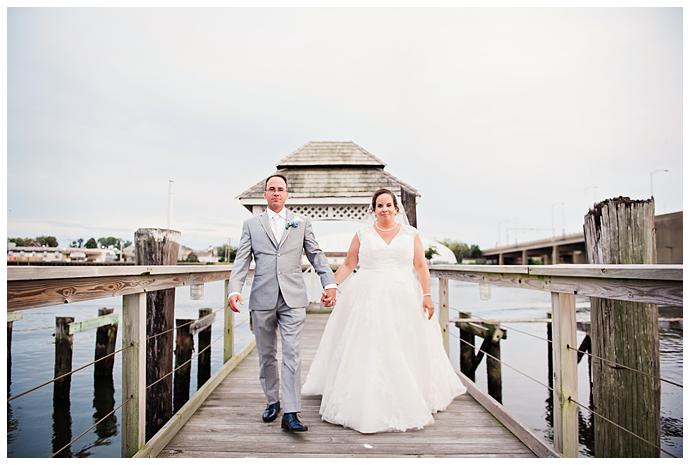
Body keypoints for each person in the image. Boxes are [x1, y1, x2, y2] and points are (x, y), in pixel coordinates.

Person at [302, 188, 466, 433]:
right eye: (380, 205)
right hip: (366, 294)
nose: (385, 209)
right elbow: (349, 264)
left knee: (405, 342)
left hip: (404, 295)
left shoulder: (411, 234)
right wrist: (332, 286)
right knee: (368, 343)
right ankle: (363, 397)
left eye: (389, 205)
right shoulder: (363, 234)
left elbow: (420, 266)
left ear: (396, 209)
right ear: (374, 209)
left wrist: (427, 295)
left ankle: (413, 393)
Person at [228, 174, 337, 432]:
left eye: (280, 189)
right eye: (271, 189)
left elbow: (316, 254)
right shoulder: (251, 225)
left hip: (293, 298)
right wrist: (234, 289)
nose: (276, 193)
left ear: (287, 194)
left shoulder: (301, 223)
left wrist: (329, 283)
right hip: (262, 298)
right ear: (265, 194)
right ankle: (272, 401)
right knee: (267, 355)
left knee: (292, 353)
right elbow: (241, 260)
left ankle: (291, 412)